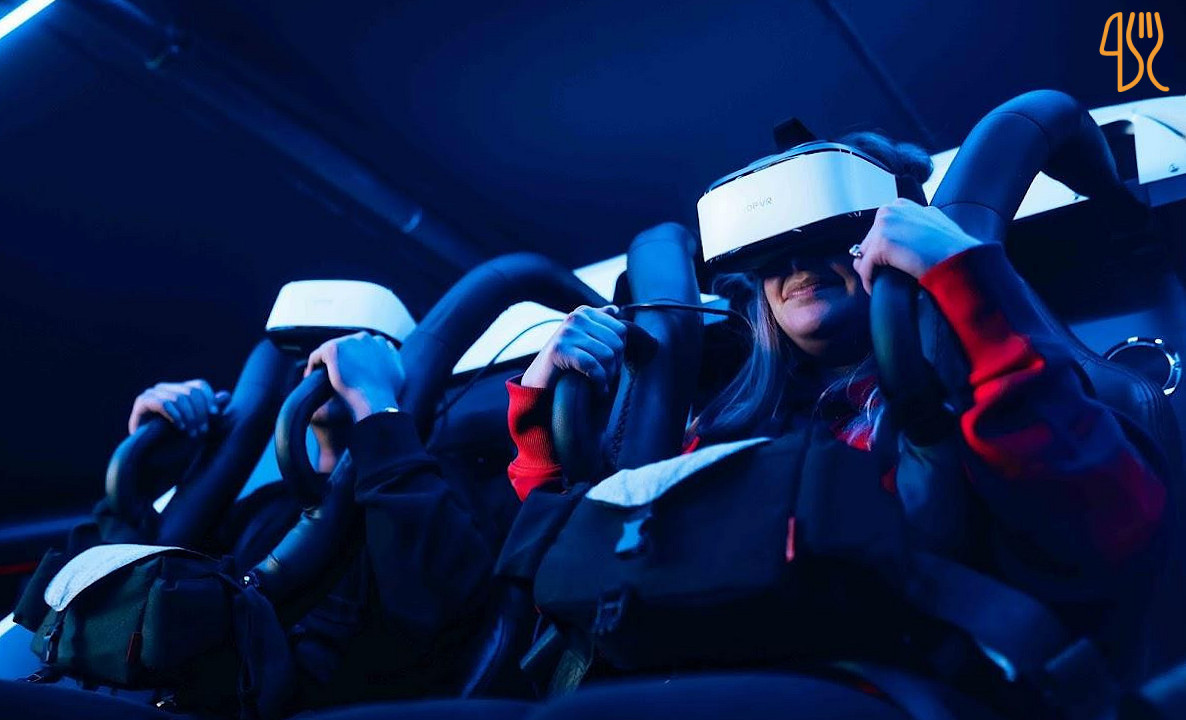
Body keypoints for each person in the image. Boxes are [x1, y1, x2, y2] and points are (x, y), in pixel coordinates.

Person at [501, 133, 1169, 715]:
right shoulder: (722, 435)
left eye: (826, 238)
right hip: (725, 683)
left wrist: (965, 279)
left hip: (902, 689)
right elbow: (588, 568)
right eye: (771, 253)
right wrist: (544, 419)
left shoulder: (983, 393)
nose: (796, 265)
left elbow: (1112, 519)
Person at [1, 332, 496, 718]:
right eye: (318, 354)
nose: (329, 359)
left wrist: (376, 406)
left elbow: (438, 605)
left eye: (350, 351)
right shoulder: (263, 507)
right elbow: (99, 607)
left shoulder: (431, 498)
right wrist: (147, 479)